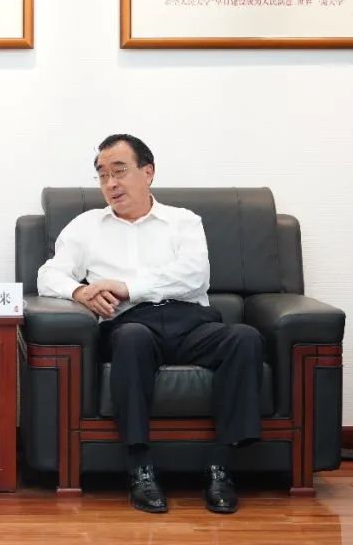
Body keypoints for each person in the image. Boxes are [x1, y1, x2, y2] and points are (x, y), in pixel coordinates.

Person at [37, 134, 264, 515]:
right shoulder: (86, 226)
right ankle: (140, 469)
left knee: (245, 338)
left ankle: (221, 467)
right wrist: (79, 291)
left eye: (119, 171)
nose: (111, 183)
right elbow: (48, 275)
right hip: (131, 324)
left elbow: (194, 275)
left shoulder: (183, 221)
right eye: (103, 175)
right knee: (132, 339)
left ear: (148, 172)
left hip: (191, 322)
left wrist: (127, 287)